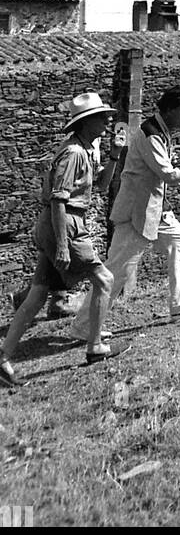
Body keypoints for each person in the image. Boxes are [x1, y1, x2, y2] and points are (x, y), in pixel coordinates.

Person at [71, 86, 180, 335]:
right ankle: (83, 327)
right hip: (136, 214)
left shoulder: (162, 132)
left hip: (154, 212)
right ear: (168, 109)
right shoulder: (150, 134)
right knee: (115, 272)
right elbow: (167, 174)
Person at [1, 92, 125, 387]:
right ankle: (95, 347)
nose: (107, 122)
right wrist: (61, 244)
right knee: (104, 281)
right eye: (101, 118)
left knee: (37, 295)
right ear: (85, 122)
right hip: (64, 223)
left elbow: (103, 185)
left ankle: (3, 356)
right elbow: (58, 200)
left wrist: (115, 155)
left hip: (61, 223)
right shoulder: (73, 153)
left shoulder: (85, 149)